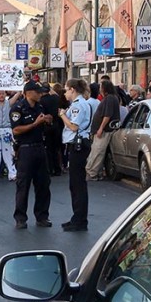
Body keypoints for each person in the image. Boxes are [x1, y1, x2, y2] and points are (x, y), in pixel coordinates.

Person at [10, 80, 53, 229]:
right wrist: (35, 124)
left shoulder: (40, 107)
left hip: (40, 147)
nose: (40, 94)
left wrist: (47, 121)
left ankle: (42, 216)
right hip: (25, 149)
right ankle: (20, 218)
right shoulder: (18, 108)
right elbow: (16, 130)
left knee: (43, 184)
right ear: (28, 93)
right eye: (37, 91)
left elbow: (44, 124)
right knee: (23, 185)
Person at [60, 79, 93, 232]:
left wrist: (62, 116)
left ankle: (80, 220)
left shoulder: (78, 105)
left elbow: (73, 127)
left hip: (78, 145)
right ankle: (77, 217)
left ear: (72, 89)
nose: (65, 93)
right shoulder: (78, 104)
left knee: (78, 184)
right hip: (77, 144)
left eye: (66, 90)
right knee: (75, 184)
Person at [86, 78, 122, 181]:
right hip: (103, 129)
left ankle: (92, 172)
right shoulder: (110, 98)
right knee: (96, 151)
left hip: (105, 130)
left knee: (98, 151)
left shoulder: (110, 98)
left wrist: (101, 128)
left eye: (101, 87)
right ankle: (94, 171)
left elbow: (107, 115)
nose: (99, 89)